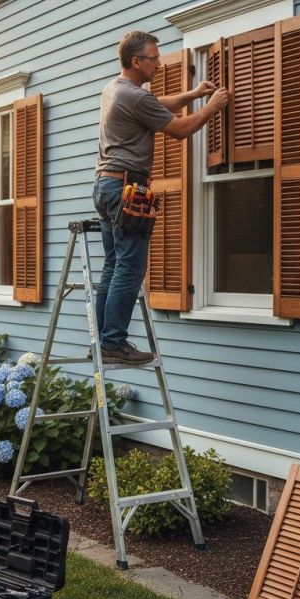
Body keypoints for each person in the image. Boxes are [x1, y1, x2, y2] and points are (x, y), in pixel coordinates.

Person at [93, 30, 230, 365]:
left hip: (105, 185)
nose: (159, 63)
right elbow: (179, 130)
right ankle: (113, 342)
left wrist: (194, 94)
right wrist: (212, 107)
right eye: (154, 58)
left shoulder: (116, 89)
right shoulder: (135, 96)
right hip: (126, 189)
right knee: (130, 267)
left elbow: (156, 106)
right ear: (136, 61)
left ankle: (103, 341)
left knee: (113, 264)